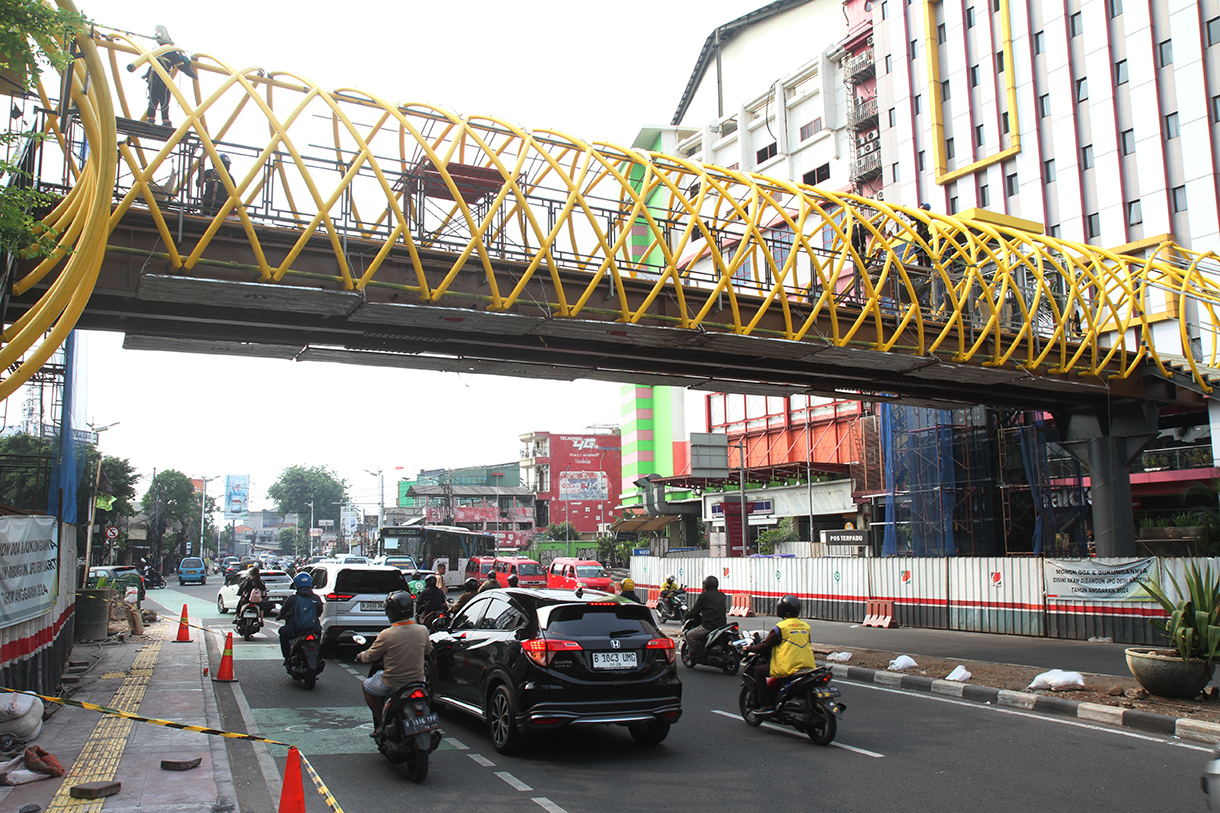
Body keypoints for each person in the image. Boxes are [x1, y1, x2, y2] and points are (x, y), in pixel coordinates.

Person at [356, 591, 431, 735]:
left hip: (392, 683)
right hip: (418, 681)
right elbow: (428, 650)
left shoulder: (387, 634)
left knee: (366, 686)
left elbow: (370, 655)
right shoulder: (422, 630)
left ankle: (382, 723)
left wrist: (360, 656)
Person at [744, 594, 818, 711]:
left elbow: (766, 646)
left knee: (758, 671)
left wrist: (749, 649)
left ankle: (766, 704)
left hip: (788, 666)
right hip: (807, 665)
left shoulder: (781, 627)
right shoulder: (805, 626)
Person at [126, 26, 197, 128]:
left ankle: (151, 118)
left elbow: (152, 65)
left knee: (153, 98)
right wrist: (192, 75)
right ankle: (165, 120)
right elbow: (181, 67)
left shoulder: (156, 51)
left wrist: (146, 76)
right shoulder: (171, 52)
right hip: (163, 78)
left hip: (153, 76)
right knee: (164, 99)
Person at [277, 573, 323, 665]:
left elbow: (283, 611)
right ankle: (318, 656)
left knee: (282, 632)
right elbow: (319, 612)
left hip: (296, 629)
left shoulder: (293, 599)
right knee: (319, 633)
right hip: (313, 629)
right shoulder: (316, 598)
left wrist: (280, 616)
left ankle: (287, 657)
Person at [683, 575, 727, 663]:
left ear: (706, 585)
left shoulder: (705, 596)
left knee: (690, 635)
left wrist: (686, 616)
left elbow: (696, 610)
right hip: (722, 624)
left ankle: (692, 653)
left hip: (709, 625)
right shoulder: (722, 595)